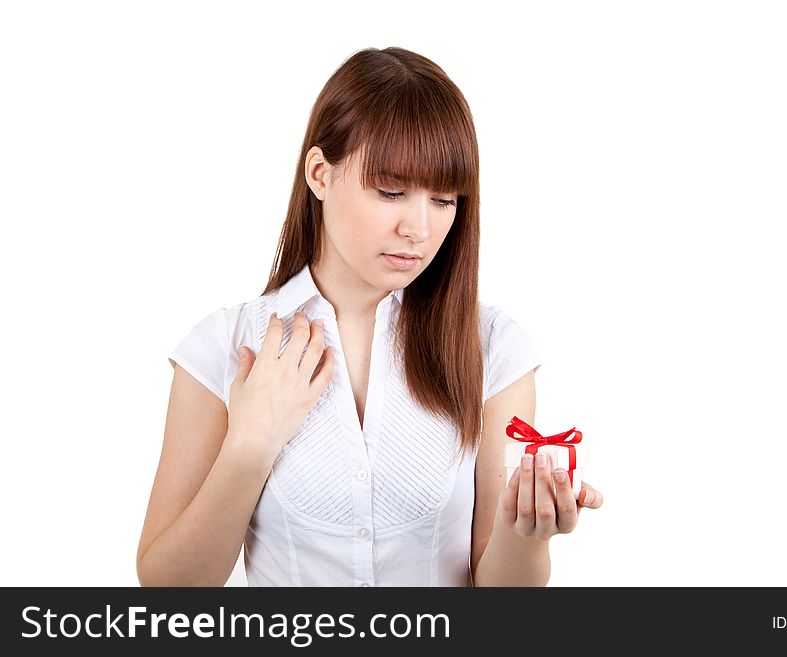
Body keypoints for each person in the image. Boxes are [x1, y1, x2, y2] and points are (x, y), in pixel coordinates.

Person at [136, 46, 603, 587]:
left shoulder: (492, 346)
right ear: (319, 174)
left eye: (445, 200)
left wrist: (527, 532)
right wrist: (250, 444)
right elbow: (168, 589)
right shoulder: (225, 345)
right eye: (390, 191)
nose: (419, 229)